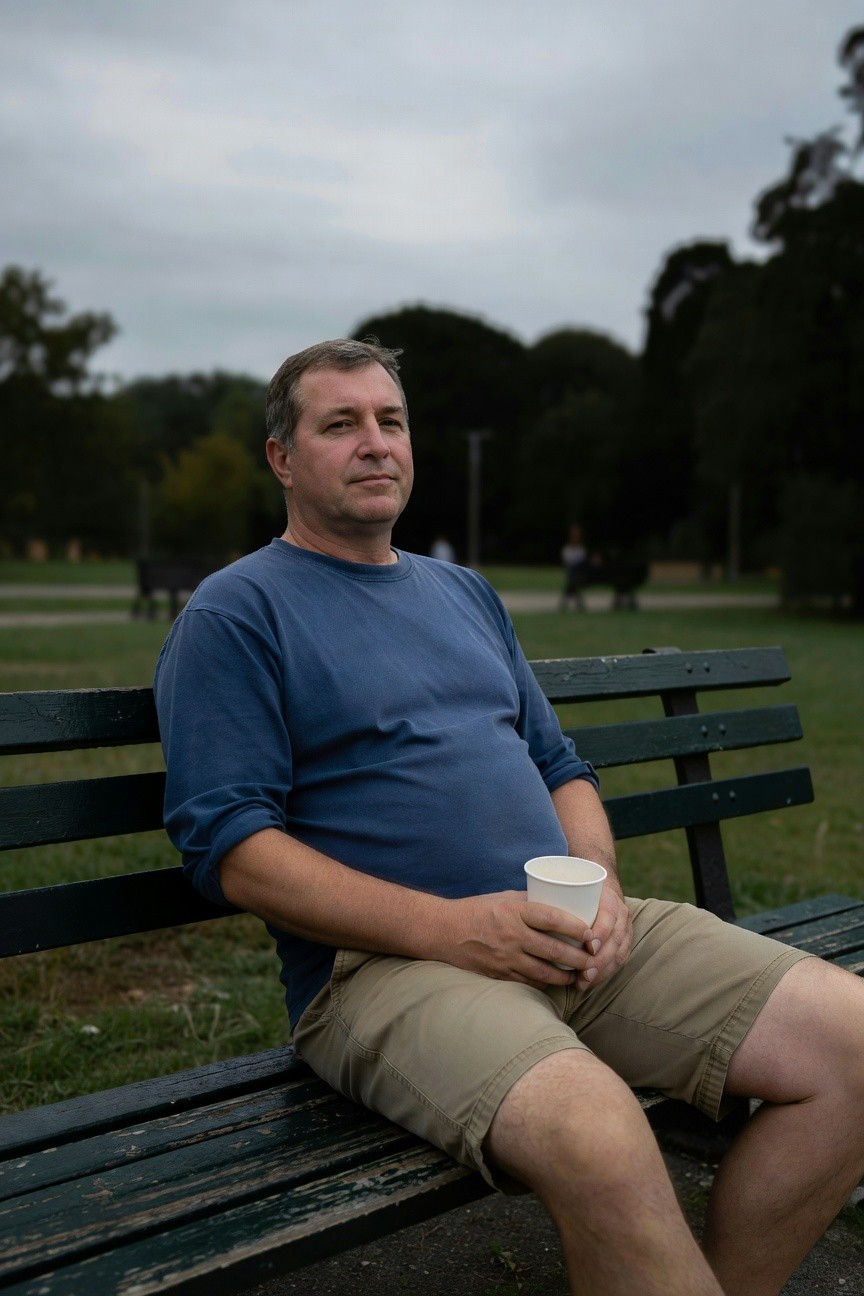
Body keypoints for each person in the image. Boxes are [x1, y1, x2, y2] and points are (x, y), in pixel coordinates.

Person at [154, 338, 864, 1296]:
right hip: (389, 972)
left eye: (391, 420)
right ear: (282, 458)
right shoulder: (237, 613)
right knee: (598, 1132)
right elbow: (235, 850)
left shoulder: (463, 593)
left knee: (854, 1045)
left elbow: (561, 767)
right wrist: (456, 929)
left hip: (566, 935)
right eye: (341, 424)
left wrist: (601, 885)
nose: (375, 443)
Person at [559, 522, 590, 611]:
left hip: (578, 574)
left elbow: (583, 564)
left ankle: (565, 603)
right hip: (573, 574)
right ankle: (579, 603)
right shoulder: (567, 549)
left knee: (572, 582)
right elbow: (568, 563)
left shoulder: (581, 549)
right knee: (574, 580)